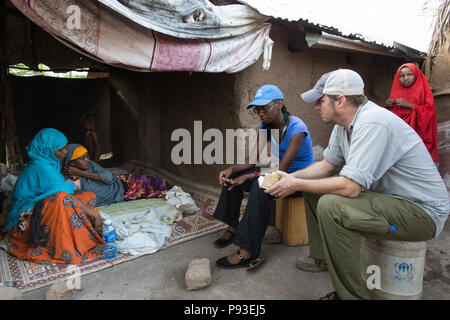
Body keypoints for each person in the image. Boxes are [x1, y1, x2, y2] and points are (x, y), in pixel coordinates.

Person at [265, 69, 449, 300]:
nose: (316, 107)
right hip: (393, 201)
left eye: (320, 101)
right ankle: (322, 257)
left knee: (331, 206)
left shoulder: (373, 122)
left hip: (421, 211)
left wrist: (296, 183)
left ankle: (350, 296)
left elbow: (351, 187)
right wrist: (288, 178)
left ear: (340, 101)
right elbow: (326, 167)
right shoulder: (343, 127)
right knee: (313, 190)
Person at [213, 84, 315, 269]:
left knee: (259, 185)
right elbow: (251, 161)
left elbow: (281, 172)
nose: (260, 113)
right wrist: (232, 169)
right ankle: (233, 227)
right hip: (283, 174)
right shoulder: (266, 126)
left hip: (298, 180)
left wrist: (250, 177)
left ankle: (247, 251)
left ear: (279, 104)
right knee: (237, 175)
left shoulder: (297, 129)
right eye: (257, 109)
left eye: (265, 108)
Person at [4, 128, 104, 264]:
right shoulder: (41, 168)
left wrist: (68, 186)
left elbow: (58, 187)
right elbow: (61, 192)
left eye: (65, 148)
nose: (65, 152)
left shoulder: (49, 163)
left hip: (40, 208)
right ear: (47, 150)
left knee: (89, 196)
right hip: (25, 223)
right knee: (61, 199)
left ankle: (75, 228)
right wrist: (94, 214)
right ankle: (66, 246)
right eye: (60, 150)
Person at [63, 144, 169, 206]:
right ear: (71, 163)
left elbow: (109, 178)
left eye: (87, 156)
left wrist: (80, 173)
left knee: (158, 183)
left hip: (121, 181)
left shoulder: (90, 165)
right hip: (120, 194)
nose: (87, 160)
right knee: (155, 192)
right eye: (82, 158)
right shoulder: (67, 181)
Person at [386, 63, 438, 162]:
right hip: (402, 137)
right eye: (401, 76)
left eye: (409, 74)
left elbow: (430, 113)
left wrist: (410, 105)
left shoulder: (423, 90)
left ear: (416, 75)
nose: (405, 78)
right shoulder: (396, 91)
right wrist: (389, 105)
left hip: (420, 135)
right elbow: (394, 117)